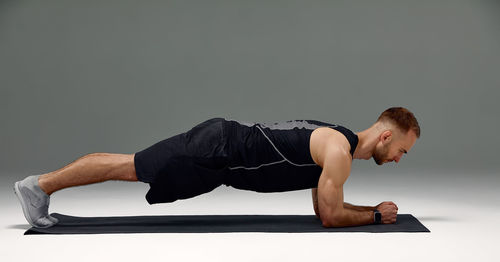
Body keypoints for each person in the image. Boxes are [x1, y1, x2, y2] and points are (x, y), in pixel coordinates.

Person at [14, 107, 420, 228]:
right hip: (218, 149)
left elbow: (321, 209)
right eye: (403, 150)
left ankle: (41, 188)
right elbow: (330, 216)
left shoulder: (339, 141)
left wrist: (360, 212)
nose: (401, 159)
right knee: (129, 166)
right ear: (386, 137)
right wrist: (373, 215)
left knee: (130, 166)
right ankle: (39, 186)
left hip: (220, 151)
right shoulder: (339, 151)